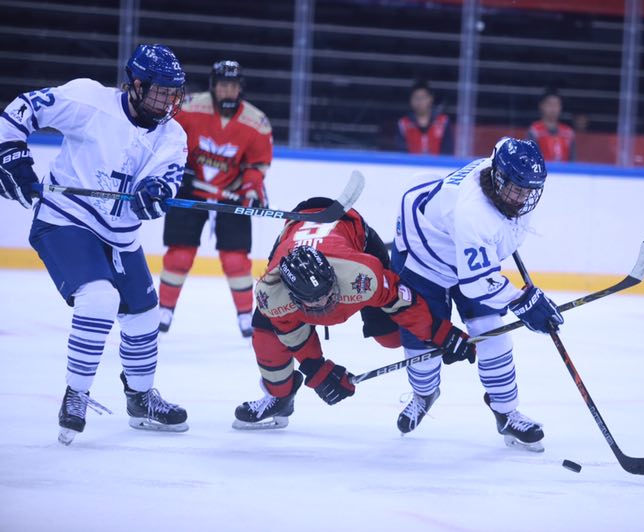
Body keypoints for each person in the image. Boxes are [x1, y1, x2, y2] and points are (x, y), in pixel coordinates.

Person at [0, 44, 190, 445]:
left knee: (143, 314)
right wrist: (12, 156)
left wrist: (154, 193)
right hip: (65, 220)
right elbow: (22, 109)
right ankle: (76, 393)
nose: (170, 101)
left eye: (175, 92)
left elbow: (166, 179)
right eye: (161, 91)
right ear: (136, 86)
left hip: (120, 235)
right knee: (99, 299)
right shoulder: (89, 100)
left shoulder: (174, 135)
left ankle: (140, 399)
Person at [232, 198, 476, 430]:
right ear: (291, 293)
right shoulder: (272, 293)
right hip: (294, 238)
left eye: (326, 294)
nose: (323, 304)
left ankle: (426, 387)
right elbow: (291, 332)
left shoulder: (361, 274)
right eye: (312, 301)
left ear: (332, 278)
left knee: (391, 337)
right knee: (266, 337)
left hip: (353, 232)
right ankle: (279, 398)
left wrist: (441, 334)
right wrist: (317, 370)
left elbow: (403, 303)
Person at [391, 137, 563, 452]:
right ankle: (424, 393)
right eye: (516, 188)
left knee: (491, 330)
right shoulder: (474, 213)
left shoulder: (505, 185)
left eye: (530, 189)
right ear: (497, 178)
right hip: (423, 252)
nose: (523, 196)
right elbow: (475, 283)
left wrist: (519, 297)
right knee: (422, 334)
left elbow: (493, 245)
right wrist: (523, 301)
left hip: (459, 241)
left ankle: (507, 412)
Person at [158, 60, 273, 338]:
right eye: (223, 85)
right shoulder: (187, 108)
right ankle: (164, 310)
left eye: (233, 86)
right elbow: (165, 141)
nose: (228, 91)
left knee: (235, 261)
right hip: (189, 190)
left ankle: (246, 317)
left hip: (229, 193)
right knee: (179, 255)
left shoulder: (256, 122)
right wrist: (177, 169)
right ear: (213, 86)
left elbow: (256, 167)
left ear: (240, 89)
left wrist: (249, 190)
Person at [396, 80, 454, 155]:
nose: (419, 101)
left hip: (438, 165)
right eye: (416, 98)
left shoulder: (443, 121)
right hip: (411, 165)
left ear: (430, 99)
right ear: (410, 100)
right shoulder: (403, 124)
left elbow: (447, 150)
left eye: (423, 97)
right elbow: (401, 151)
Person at [528, 91, 576, 162]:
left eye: (556, 104)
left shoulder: (568, 132)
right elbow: (530, 158)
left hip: (564, 172)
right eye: (550, 104)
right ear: (542, 106)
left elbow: (573, 160)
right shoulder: (534, 131)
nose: (553, 108)